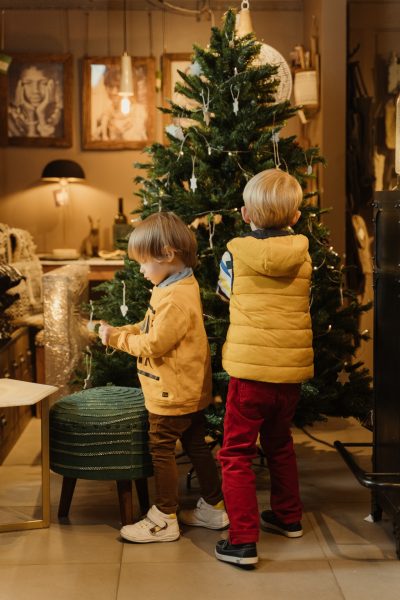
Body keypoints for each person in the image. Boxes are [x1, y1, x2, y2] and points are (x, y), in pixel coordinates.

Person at [98, 211, 228, 543]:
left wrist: (116, 339)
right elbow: (149, 328)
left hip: (171, 392)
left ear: (168, 254)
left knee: (162, 447)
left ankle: (164, 517)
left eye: (144, 263)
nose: (141, 270)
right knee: (197, 444)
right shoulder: (177, 285)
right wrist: (121, 330)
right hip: (188, 386)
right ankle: (214, 507)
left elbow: (154, 344)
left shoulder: (174, 298)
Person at [214, 168, 314, 567]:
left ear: (244, 213)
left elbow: (225, 294)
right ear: (295, 217)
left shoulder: (233, 251)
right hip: (288, 375)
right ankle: (289, 518)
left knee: (235, 453)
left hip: (250, 374)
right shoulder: (304, 251)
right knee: (280, 443)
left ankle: (242, 540)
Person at [92, 65, 147, 142]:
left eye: (118, 87)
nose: (113, 92)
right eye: (110, 86)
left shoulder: (139, 111)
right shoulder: (105, 115)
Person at [8, 64, 63, 138]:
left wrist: (41, 115)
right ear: (19, 86)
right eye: (28, 83)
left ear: (52, 85)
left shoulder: (61, 117)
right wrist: (31, 115)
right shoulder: (8, 119)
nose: (35, 90)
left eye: (43, 83)